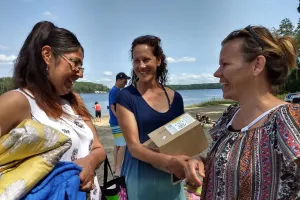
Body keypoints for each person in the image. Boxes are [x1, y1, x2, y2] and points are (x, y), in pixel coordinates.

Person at [184, 25, 299, 199]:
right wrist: (200, 162)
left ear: (257, 65)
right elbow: (232, 164)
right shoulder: (230, 116)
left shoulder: (288, 119)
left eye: (225, 64)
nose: (217, 73)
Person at [0, 21, 106, 199]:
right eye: (75, 63)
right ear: (48, 55)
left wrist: (88, 163)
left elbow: (98, 148)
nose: (80, 74)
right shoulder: (18, 101)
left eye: (81, 66)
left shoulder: (73, 101)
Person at [115, 35, 189, 200]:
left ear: (159, 61)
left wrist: (192, 160)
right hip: (140, 176)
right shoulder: (126, 97)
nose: (141, 66)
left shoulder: (175, 98)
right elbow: (134, 148)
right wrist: (169, 162)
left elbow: (182, 139)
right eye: (136, 61)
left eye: (146, 59)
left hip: (171, 177)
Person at [108, 72, 130, 177]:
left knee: (117, 145)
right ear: (119, 80)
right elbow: (112, 106)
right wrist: (120, 118)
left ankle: (115, 168)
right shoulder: (114, 91)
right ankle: (118, 169)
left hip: (114, 122)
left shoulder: (116, 90)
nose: (125, 84)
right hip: (116, 123)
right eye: (125, 81)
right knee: (123, 145)